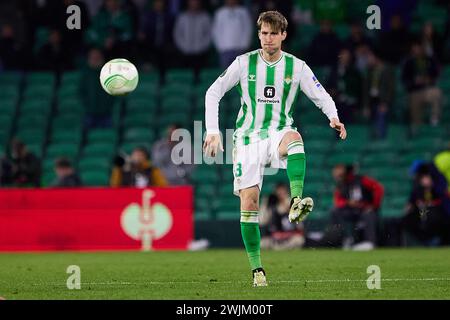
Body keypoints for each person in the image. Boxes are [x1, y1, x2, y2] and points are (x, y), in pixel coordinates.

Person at [203, 11, 347, 286]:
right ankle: (257, 270)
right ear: (259, 35)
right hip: (247, 139)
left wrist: (333, 116)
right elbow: (213, 91)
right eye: (263, 33)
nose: (268, 39)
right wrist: (212, 131)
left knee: (295, 138)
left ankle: (295, 201)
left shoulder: (297, 67)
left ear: (283, 35)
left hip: (278, 132)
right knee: (249, 204)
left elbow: (321, 94)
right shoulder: (244, 63)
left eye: (273, 33)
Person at [327, 164, 384, 250]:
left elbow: (378, 188)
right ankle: (343, 239)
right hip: (350, 210)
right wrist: (348, 203)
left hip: (365, 209)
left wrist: (373, 206)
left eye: (339, 169)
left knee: (369, 214)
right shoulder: (341, 184)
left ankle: (370, 242)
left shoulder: (362, 180)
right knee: (335, 211)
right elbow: (338, 201)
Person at [401, 41, 442, 131]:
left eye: (418, 48)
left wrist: (428, 79)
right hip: (414, 92)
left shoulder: (429, 60)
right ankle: (417, 127)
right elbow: (404, 80)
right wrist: (414, 82)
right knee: (416, 121)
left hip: (428, 90)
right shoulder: (408, 62)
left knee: (436, 92)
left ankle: (434, 119)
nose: (416, 51)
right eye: (414, 49)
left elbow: (437, 72)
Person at [362, 48, 396, 139]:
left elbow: (390, 89)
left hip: (383, 101)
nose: (368, 59)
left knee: (381, 113)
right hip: (372, 100)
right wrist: (366, 106)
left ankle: (380, 140)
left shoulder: (387, 70)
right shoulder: (369, 71)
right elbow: (366, 90)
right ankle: (369, 140)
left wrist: (385, 103)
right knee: (367, 115)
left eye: (369, 57)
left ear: (375, 57)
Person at [259, 183, 305, 250]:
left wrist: (287, 205)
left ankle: (281, 249)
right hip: (275, 238)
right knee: (262, 243)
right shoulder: (272, 206)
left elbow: (300, 221)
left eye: (282, 192)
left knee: (299, 240)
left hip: (290, 237)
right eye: (278, 192)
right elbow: (262, 221)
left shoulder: (292, 203)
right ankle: (280, 248)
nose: (280, 194)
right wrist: (265, 204)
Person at [172, 0, 211, 74]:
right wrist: (183, 47)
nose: (194, 3)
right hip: (185, 52)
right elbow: (177, 34)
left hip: (201, 53)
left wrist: (202, 47)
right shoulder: (182, 17)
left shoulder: (205, 17)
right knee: (185, 76)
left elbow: (209, 34)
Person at [211, 0, 252, 68]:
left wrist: (244, 46)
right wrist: (220, 47)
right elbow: (216, 31)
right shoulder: (220, 13)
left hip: (240, 49)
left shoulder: (243, 12)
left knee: (241, 73)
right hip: (224, 50)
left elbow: (247, 29)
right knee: (225, 74)